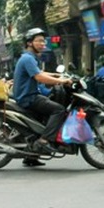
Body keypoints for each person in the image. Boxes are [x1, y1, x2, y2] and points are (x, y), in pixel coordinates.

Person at [12, 28, 73, 167]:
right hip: (28, 97)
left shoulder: (31, 58)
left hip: (30, 95)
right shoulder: (28, 58)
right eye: (39, 41)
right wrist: (61, 81)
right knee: (58, 110)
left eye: (43, 41)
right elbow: (39, 77)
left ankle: (30, 157)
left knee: (42, 121)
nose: (43, 43)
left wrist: (56, 75)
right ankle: (44, 140)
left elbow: (41, 72)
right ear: (29, 43)